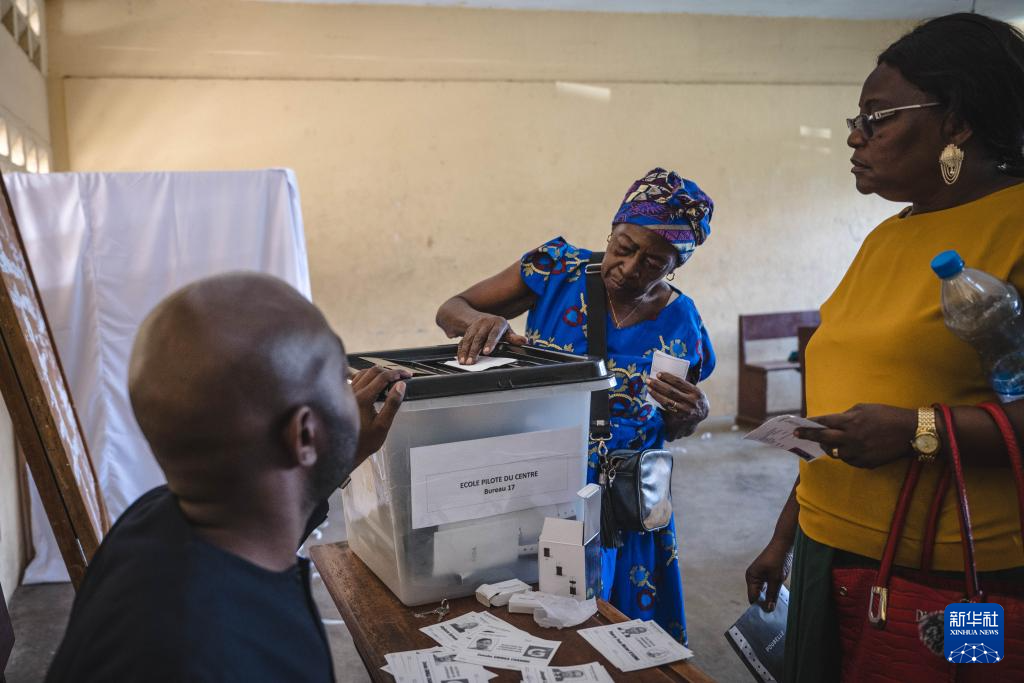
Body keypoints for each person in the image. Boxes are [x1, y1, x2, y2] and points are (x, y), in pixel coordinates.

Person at [743, 13, 1024, 682]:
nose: (855, 135)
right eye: (857, 119)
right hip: (828, 551)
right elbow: (845, 409)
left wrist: (919, 430)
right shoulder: (886, 236)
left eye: (877, 117)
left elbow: (908, 418)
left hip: (960, 574)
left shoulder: (1015, 227)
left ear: (956, 122)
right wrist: (786, 536)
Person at [46, 273, 408, 683]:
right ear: (304, 435)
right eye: (341, 379)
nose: (356, 393)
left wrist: (340, 450)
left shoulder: (151, 519)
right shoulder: (230, 657)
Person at [436, 168, 716, 643]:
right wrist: (481, 322)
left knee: (620, 631)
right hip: (540, 480)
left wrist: (692, 415)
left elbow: (671, 427)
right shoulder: (556, 270)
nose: (629, 268)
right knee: (535, 616)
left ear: (675, 266)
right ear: (612, 230)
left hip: (625, 500)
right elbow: (451, 310)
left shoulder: (682, 320)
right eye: (624, 247)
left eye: (653, 263)